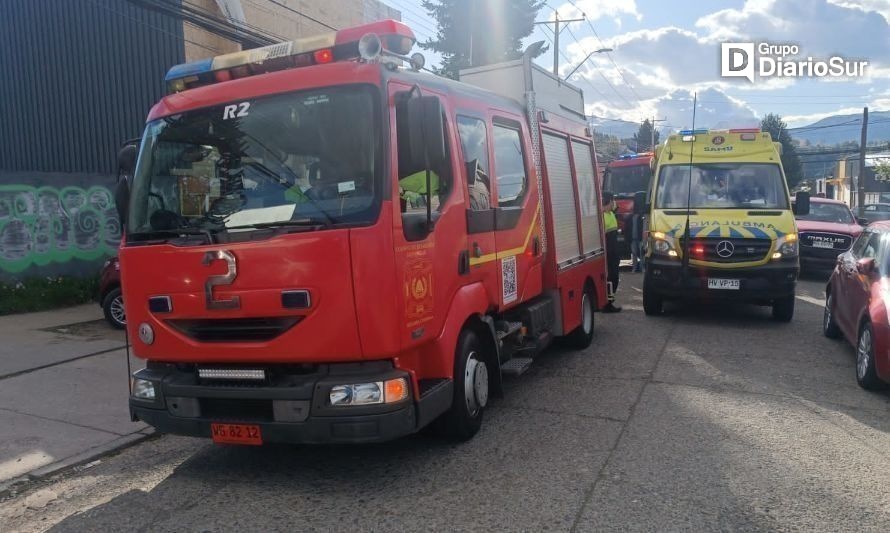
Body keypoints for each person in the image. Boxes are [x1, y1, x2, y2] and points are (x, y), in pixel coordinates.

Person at [602, 191, 622, 312]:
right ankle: (607, 304)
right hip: (608, 254)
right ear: (609, 201)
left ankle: (609, 302)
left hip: (614, 252)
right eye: (613, 201)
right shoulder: (603, 216)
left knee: (614, 278)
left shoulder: (611, 214)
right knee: (611, 278)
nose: (614, 203)